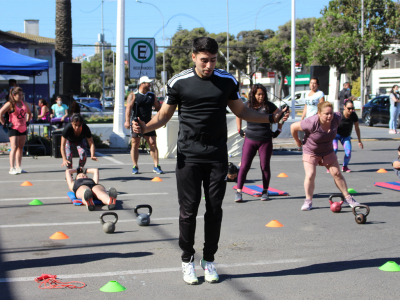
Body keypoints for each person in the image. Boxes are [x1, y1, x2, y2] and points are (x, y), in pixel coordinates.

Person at [132, 37, 288, 285]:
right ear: (193, 57)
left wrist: (270, 117)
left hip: (217, 156)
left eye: (213, 60)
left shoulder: (227, 80)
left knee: (214, 210)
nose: (209, 66)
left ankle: (209, 259)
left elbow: (242, 111)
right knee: (188, 211)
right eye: (204, 60)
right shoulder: (178, 82)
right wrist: (144, 127)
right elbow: (163, 116)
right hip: (189, 156)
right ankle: (187, 261)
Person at [290, 101, 360, 211]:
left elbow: (345, 116)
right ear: (319, 113)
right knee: (310, 175)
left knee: (337, 173)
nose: (329, 116)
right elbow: (293, 127)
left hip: (327, 150)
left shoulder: (337, 117)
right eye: (326, 114)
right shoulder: (311, 122)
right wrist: (297, 140)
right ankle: (308, 201)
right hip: (311, 151)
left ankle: (348, 198)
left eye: (331, 113)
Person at [235, 83, 283, 202]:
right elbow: (238, 114)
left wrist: (279, 130)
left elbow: (280, 114)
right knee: (244, 166)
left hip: (265, 140)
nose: (261, 96)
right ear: (254, 94)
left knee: (265, 166)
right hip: (250, 139)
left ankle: (265, 191)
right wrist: (239, 129)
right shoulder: (247, 105)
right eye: (259, 94)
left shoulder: (268, 106)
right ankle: (239, 191)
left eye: (263, 94)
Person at [124, 76, 162, 174]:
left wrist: (162, 119)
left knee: (153, 143)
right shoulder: (133, 95)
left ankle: (156, 166)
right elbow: (128, 109)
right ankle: (135, 166)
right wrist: (127, 121)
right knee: (135, 144)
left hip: (149, 123)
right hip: (136, 123)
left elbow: (158, 107)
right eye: (148, 83)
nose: (149, 85)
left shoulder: (152, 95)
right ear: (142, 84)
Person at [0, 87, 32, 175]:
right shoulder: (10, 104)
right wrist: (4, 123)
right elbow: (0, 113)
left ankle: (18, 167)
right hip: (13, 127)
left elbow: (29, 113)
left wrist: (28, 121)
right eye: (19, 95)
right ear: (14, 95)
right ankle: (12, 168)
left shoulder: (24, 103)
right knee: (14, 147)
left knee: (20, 147)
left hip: (23, 127)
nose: (21, 97)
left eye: (22, 95)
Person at [332, 99, 363, 173]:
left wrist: (359, 141)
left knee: (348, 152)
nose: (351, 110)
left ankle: (345, 166)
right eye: (349, 108)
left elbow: (357, 128)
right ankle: (330, 165)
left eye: (352, 108)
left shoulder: (354, 115)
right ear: (344, 107)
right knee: (334, 149)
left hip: (345, 136)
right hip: (335, 135)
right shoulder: (338, 115)